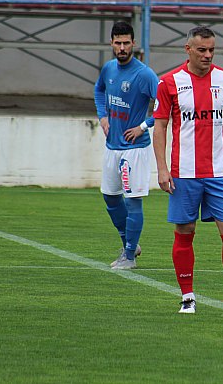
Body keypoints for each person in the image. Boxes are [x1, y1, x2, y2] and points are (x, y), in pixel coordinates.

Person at [153, 26, 223, 316]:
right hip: (183, 172)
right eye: (202, 50)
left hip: (219, 171)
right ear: (188, 49)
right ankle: (187, 297)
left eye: (212, 50)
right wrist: (162, 168)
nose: (208, 55)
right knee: (185, 232)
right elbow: (159, 127)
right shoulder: (169, 82)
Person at [94, 21, 159, 270]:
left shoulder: (144, 74)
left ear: (134, 44)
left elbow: (166, 105)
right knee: (110, 196)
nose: (122, 47)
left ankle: (129, 256)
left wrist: (143, 126)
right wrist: (102, 115)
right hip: (112, 146)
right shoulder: (109, 69)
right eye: (118, 43)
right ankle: (129, 243)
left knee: (132, 201)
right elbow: (99, 90)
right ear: (111, 43)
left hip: (135, 149)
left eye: (126, 43)